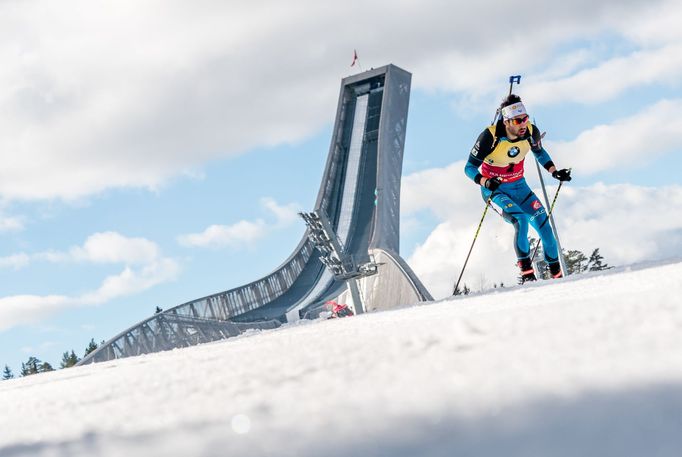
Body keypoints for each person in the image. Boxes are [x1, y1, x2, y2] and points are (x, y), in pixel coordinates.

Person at [464, 94, 572, 282]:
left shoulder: (531, 131)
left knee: (545, 228)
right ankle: (528, 276)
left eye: (525, 118)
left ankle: (558, 277)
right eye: (517, 120)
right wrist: (485, 182)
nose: (523, 124)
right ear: (507, 121)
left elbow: (539, 152)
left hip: (520, 188)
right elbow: (469, 168)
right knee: (521, 220)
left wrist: (554, 172)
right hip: (496, 190)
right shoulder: (490, 136)